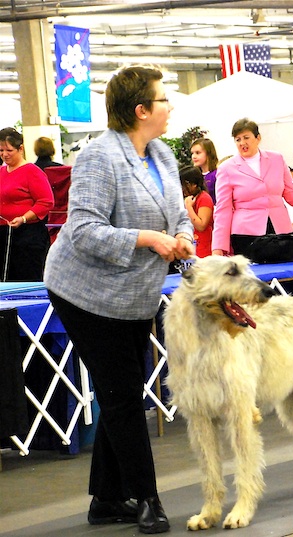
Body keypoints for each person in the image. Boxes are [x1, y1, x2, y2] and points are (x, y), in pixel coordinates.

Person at [43, 66, 194, 534]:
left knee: (121, 392)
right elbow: (84, 231)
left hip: (133, 293)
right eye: (163, 99)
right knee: (125, 395)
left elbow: (179, 215)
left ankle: (106, 500)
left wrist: (182, 237)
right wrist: (148, 238)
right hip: (85, 291)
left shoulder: (164, 156)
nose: (170, 106)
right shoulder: (97, 158)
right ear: (141, 110)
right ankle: (147, 498)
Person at [211, 118, 293, 257]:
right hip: (246, 234)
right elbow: (223, 210)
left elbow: (292, 194)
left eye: (246, 138)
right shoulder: (226, 168)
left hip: (280, 230)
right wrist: (218, 247)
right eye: (238, 139)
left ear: (258, 138)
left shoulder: (277, 159)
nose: (242, 143)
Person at [0, 127, 54, 281]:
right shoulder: (1, 172)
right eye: (1, 150)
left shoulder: (32, 171)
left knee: (27, 276)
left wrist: (23, 218)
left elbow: (46, 201)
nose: (4, 154)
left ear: (20, 149)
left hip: (28, 236)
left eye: (9, 150)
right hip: (4, 235)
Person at [180, 165, 214, 258]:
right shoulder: (187, 199)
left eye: (183, 185)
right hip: (192, 247)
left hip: (204, 249)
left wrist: (188, 207)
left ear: (193, 184)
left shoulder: (204, 198)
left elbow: (201, 225)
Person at [190, 137, 219, 203]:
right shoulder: (194, 176)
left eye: (198, 153)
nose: (193, 156)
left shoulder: (216, 175)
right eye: (192, 153)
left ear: (208, 154)